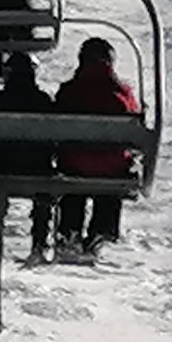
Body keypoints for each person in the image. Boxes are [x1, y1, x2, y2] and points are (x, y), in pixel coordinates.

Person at [52, 36, 140, 258]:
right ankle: (101, 231)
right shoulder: (122, 93)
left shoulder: (69, 91)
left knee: (73, 178)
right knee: (109, 178)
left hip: (74, 164)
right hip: (111, 167)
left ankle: (70, 231)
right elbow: (136, 128)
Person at [0, 50, 57, 264]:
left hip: (1, 168)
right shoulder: (43, 102)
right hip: (37, 169)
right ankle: (40, 240)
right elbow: (54, 140)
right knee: (45, 188)